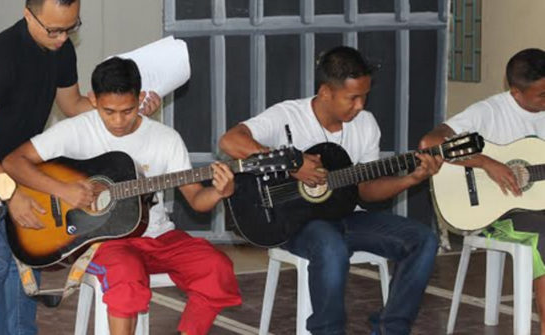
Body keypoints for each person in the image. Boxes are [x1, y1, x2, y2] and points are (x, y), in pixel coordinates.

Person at [0, 0, 159, 335]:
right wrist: (9, 193)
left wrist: (126, 109)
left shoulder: (62, 51)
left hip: (23, 166)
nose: (63, 38)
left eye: (71, 28)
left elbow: (72, 104)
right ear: (29, 15)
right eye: (54, 30)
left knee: (28, 259)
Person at [3, 57, 242, 335]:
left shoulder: (166, 139)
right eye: (108, 111)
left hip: (158, 236)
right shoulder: (76, 129)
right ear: (93, 100)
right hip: (105, 242)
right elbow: (13, 162)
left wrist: (219, 192)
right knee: (126, 276)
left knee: (217, 268)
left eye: (127, 111)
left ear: (140, 98)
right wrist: (63, 189)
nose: (118, 121)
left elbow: (197, 201)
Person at [219, 46, 441, 335]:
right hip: (294, 222)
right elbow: (230, 141)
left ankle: (391, 327)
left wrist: (411, 179)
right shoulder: (288, 115)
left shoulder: (366, 125)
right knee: (331, 246)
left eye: (364, 96)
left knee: (423, 239)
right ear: (326, 92)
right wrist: (292, 164)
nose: (360, 105)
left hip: (347, 216)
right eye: (353, 97)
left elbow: (366, 190)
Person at [420, 48, 545, 334]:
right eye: (542, 95)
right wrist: (486, 162)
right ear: (515, 92)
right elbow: (430, 142)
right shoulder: (489, 112)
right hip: (497, 214)